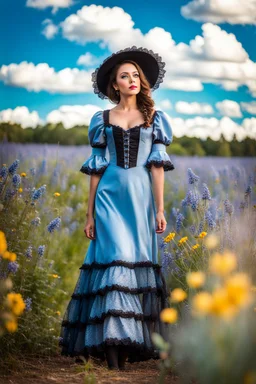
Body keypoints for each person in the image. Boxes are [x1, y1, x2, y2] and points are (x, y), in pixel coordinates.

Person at [59, 46, 175, 371]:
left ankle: (124, 350)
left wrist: (160, 209)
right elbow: (96, 168)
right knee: (113, 264)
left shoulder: (155, 118)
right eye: (125, 75)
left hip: (140, 201)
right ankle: (112, 358)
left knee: (133, 269)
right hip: (108, 198)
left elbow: (156, 168)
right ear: (115, 84)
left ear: (142, 81)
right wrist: (89, 212)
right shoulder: (102, 119)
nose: (132, 79)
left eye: (136, 75)